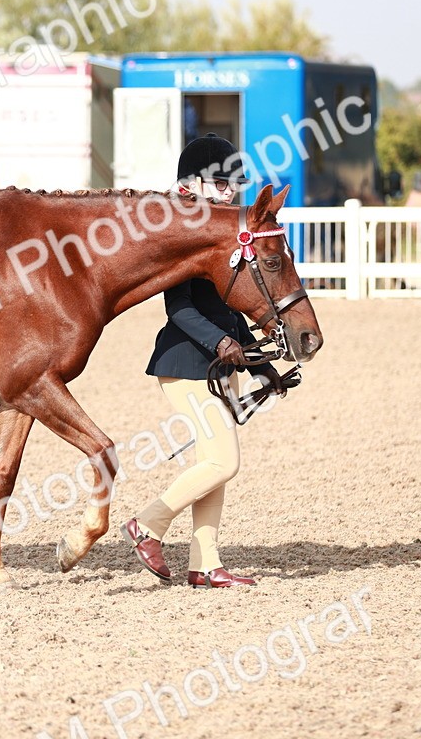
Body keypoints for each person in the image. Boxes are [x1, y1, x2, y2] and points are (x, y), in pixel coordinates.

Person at [121, 133, 285, 589]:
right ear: (190, 184)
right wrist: (219, 345)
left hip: (218, 365)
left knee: (215, 467)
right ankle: (147, 525)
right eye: (219, 182)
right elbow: (180, 309)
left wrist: (259, 365)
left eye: (234, 184)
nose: (230, 191)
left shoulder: (223, 232)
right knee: (223, 462)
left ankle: (205, 563)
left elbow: (233, 308)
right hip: (186, 363)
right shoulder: (182, 233)